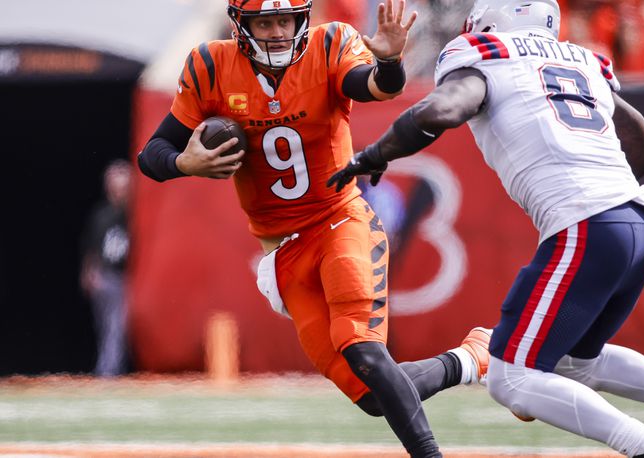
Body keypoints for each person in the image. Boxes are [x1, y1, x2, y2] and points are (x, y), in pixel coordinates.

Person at [327, 1, 644, 457]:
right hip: (642, 221)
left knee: (511, 376)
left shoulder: (485, 53)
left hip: (590, 222)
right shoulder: (580, 59)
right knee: (575, 361)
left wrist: (375, 154)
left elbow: (441, 111)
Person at [136, 1, 489, 456]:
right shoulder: (211, 64)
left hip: (339, 219)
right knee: (371, 396)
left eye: (286, 20)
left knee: (360, 349)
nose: (279, 31)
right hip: (282, 249)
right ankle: (470, 359)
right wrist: (184, 161)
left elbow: (375, 88)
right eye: (266, 22)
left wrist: (387, 60)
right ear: (240, 26)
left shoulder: (330, 43)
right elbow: (153, 154)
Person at [80, 159, 133, 377]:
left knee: (117, 325)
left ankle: (108, 372)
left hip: (127, 277)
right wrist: (88, 272)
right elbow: (91, 246)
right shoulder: (102, 215)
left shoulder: (137, 213)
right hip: (106, 275)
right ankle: (108, 370)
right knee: (107, 325)